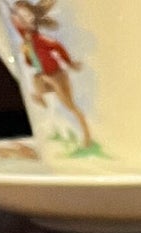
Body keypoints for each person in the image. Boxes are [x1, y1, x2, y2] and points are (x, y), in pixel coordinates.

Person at [10, 2, 93, 151]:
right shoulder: (26, 41)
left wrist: (70, 63)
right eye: (19, 15)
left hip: (57, 75)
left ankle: (87, 136)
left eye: (27, 15)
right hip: (43, 75)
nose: (22, 18)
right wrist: (26, 53)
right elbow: (29, 61)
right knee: (37, 80)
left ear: (34, 18)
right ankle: (40, 99)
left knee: (70, 105)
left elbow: (57, 46)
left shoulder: (40, 40)